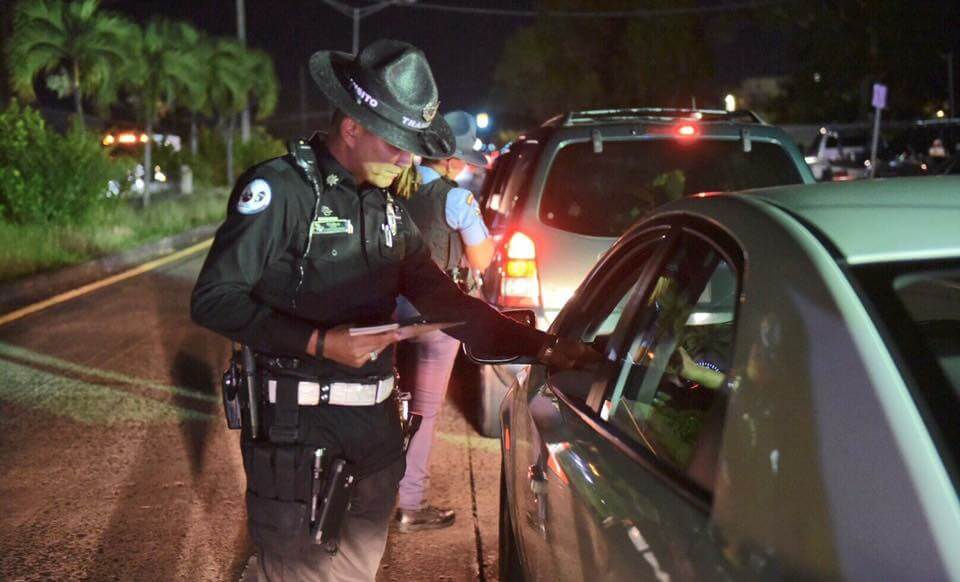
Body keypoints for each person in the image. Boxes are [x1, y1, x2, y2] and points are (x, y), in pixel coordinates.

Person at [190, 39, 591, 582]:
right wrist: (318, 342)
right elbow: (214, 298)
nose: (407, 158)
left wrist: (541, 346)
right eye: (397, 143)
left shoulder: (387, 210)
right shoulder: (280, 192)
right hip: (302, 439)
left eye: (413, 145)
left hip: (376, 443)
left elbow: (446, 301)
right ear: (351, 128)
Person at [393, 111, 493, 532]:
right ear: (451, 162)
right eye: (464, 161)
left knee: (381, 400)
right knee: (425, 409)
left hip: (386, 310)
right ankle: (408, 504)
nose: (467, 168)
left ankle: (368, 493)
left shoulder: (393, 188)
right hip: (437, 317)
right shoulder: (457, 199)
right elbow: (482, 257)